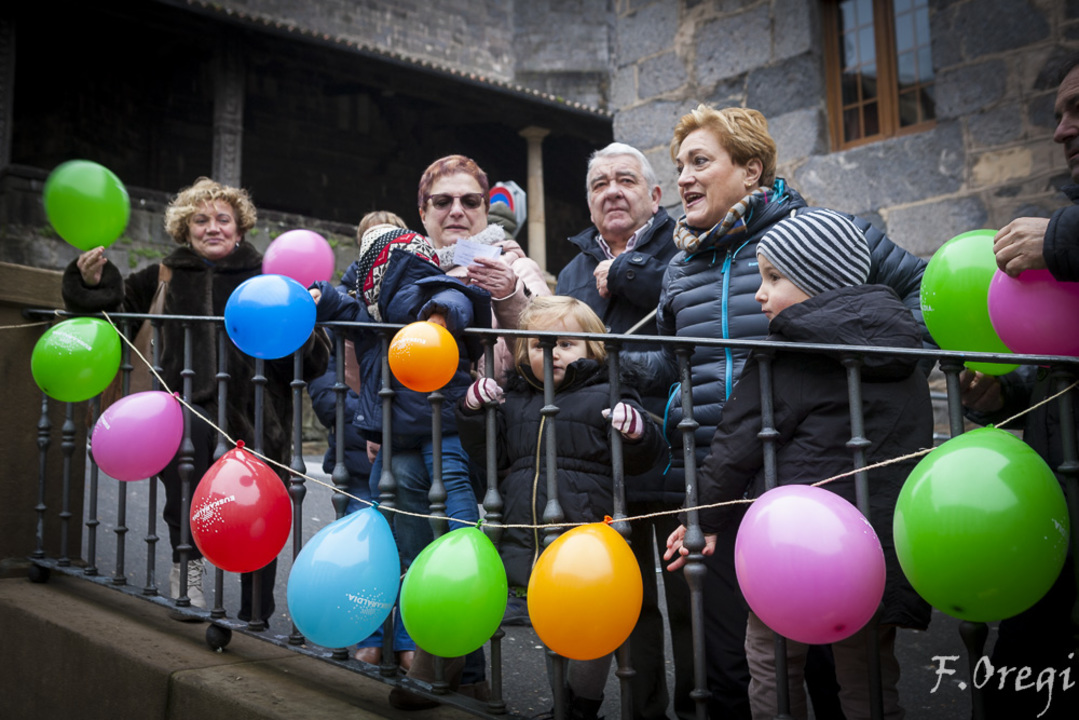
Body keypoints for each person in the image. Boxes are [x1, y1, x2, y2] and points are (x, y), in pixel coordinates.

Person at [630, 105, 929, 719]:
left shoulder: (821, 233)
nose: (683, 177)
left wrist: (888, 374)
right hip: (715, 480)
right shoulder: (679, 267)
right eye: (679, 165)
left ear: (750, 169)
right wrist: (594, 359)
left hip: (810, 478)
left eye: (700, 161)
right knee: (737, 664)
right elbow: (669, 363)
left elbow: (921, 287)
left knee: (831, 665)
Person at [62, 177, 329, 623]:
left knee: (258, 509)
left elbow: (314, 361)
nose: (212, 227)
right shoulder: (162, 276)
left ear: (239, 228)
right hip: (183, 414)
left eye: (223, 219)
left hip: (258, 418)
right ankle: (187, 574)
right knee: (184, 495)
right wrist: (89, 284)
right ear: (185, 229)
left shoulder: (269, 278)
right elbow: (114, 322)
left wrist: (298, 317)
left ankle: (256, 605)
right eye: (200, 220)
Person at [455, 295, 667, 720]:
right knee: (543, 623)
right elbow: (494, 456)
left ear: (593, 348)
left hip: (584, 536)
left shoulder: (608, 392)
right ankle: (553, 703)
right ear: (524, 352)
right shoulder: (517, 399)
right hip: (526, 533)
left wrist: (637, 432)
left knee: (586, 627)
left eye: (565, 344)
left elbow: (645, 458)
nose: (551, 352)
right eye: (540, 344)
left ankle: (580, 705)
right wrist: (473, 413)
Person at [960, 52, 1079, 720]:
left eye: (1077, 109)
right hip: (1051, 535)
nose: (1060, 130)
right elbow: (1058, 363)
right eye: (1058, 114)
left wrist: (1061, 239)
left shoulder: (1061, 234)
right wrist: (1004, 396)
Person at [555, 142, 691, 720]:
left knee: (689, 602)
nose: (612, 191)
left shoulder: (684, 246)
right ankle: (644, 711)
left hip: (675, 452)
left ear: (655, 196)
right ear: (589, 203)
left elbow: (687, 324)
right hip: (604, 461)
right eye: (600, 184)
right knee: (627, 603)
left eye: (626, 180)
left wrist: (627, 276)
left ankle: (696, 709)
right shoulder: (572, 271)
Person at [307, 209, 414, 671]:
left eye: (389, 240)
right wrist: (369, 421)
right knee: (363, 550)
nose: (379, 250)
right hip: (355, 452)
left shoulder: (412, 298)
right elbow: (322, 385)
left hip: (405, 447)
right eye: (370, 240)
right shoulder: (340, 301)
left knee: (409, 545)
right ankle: (368, 635)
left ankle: (407, 639)